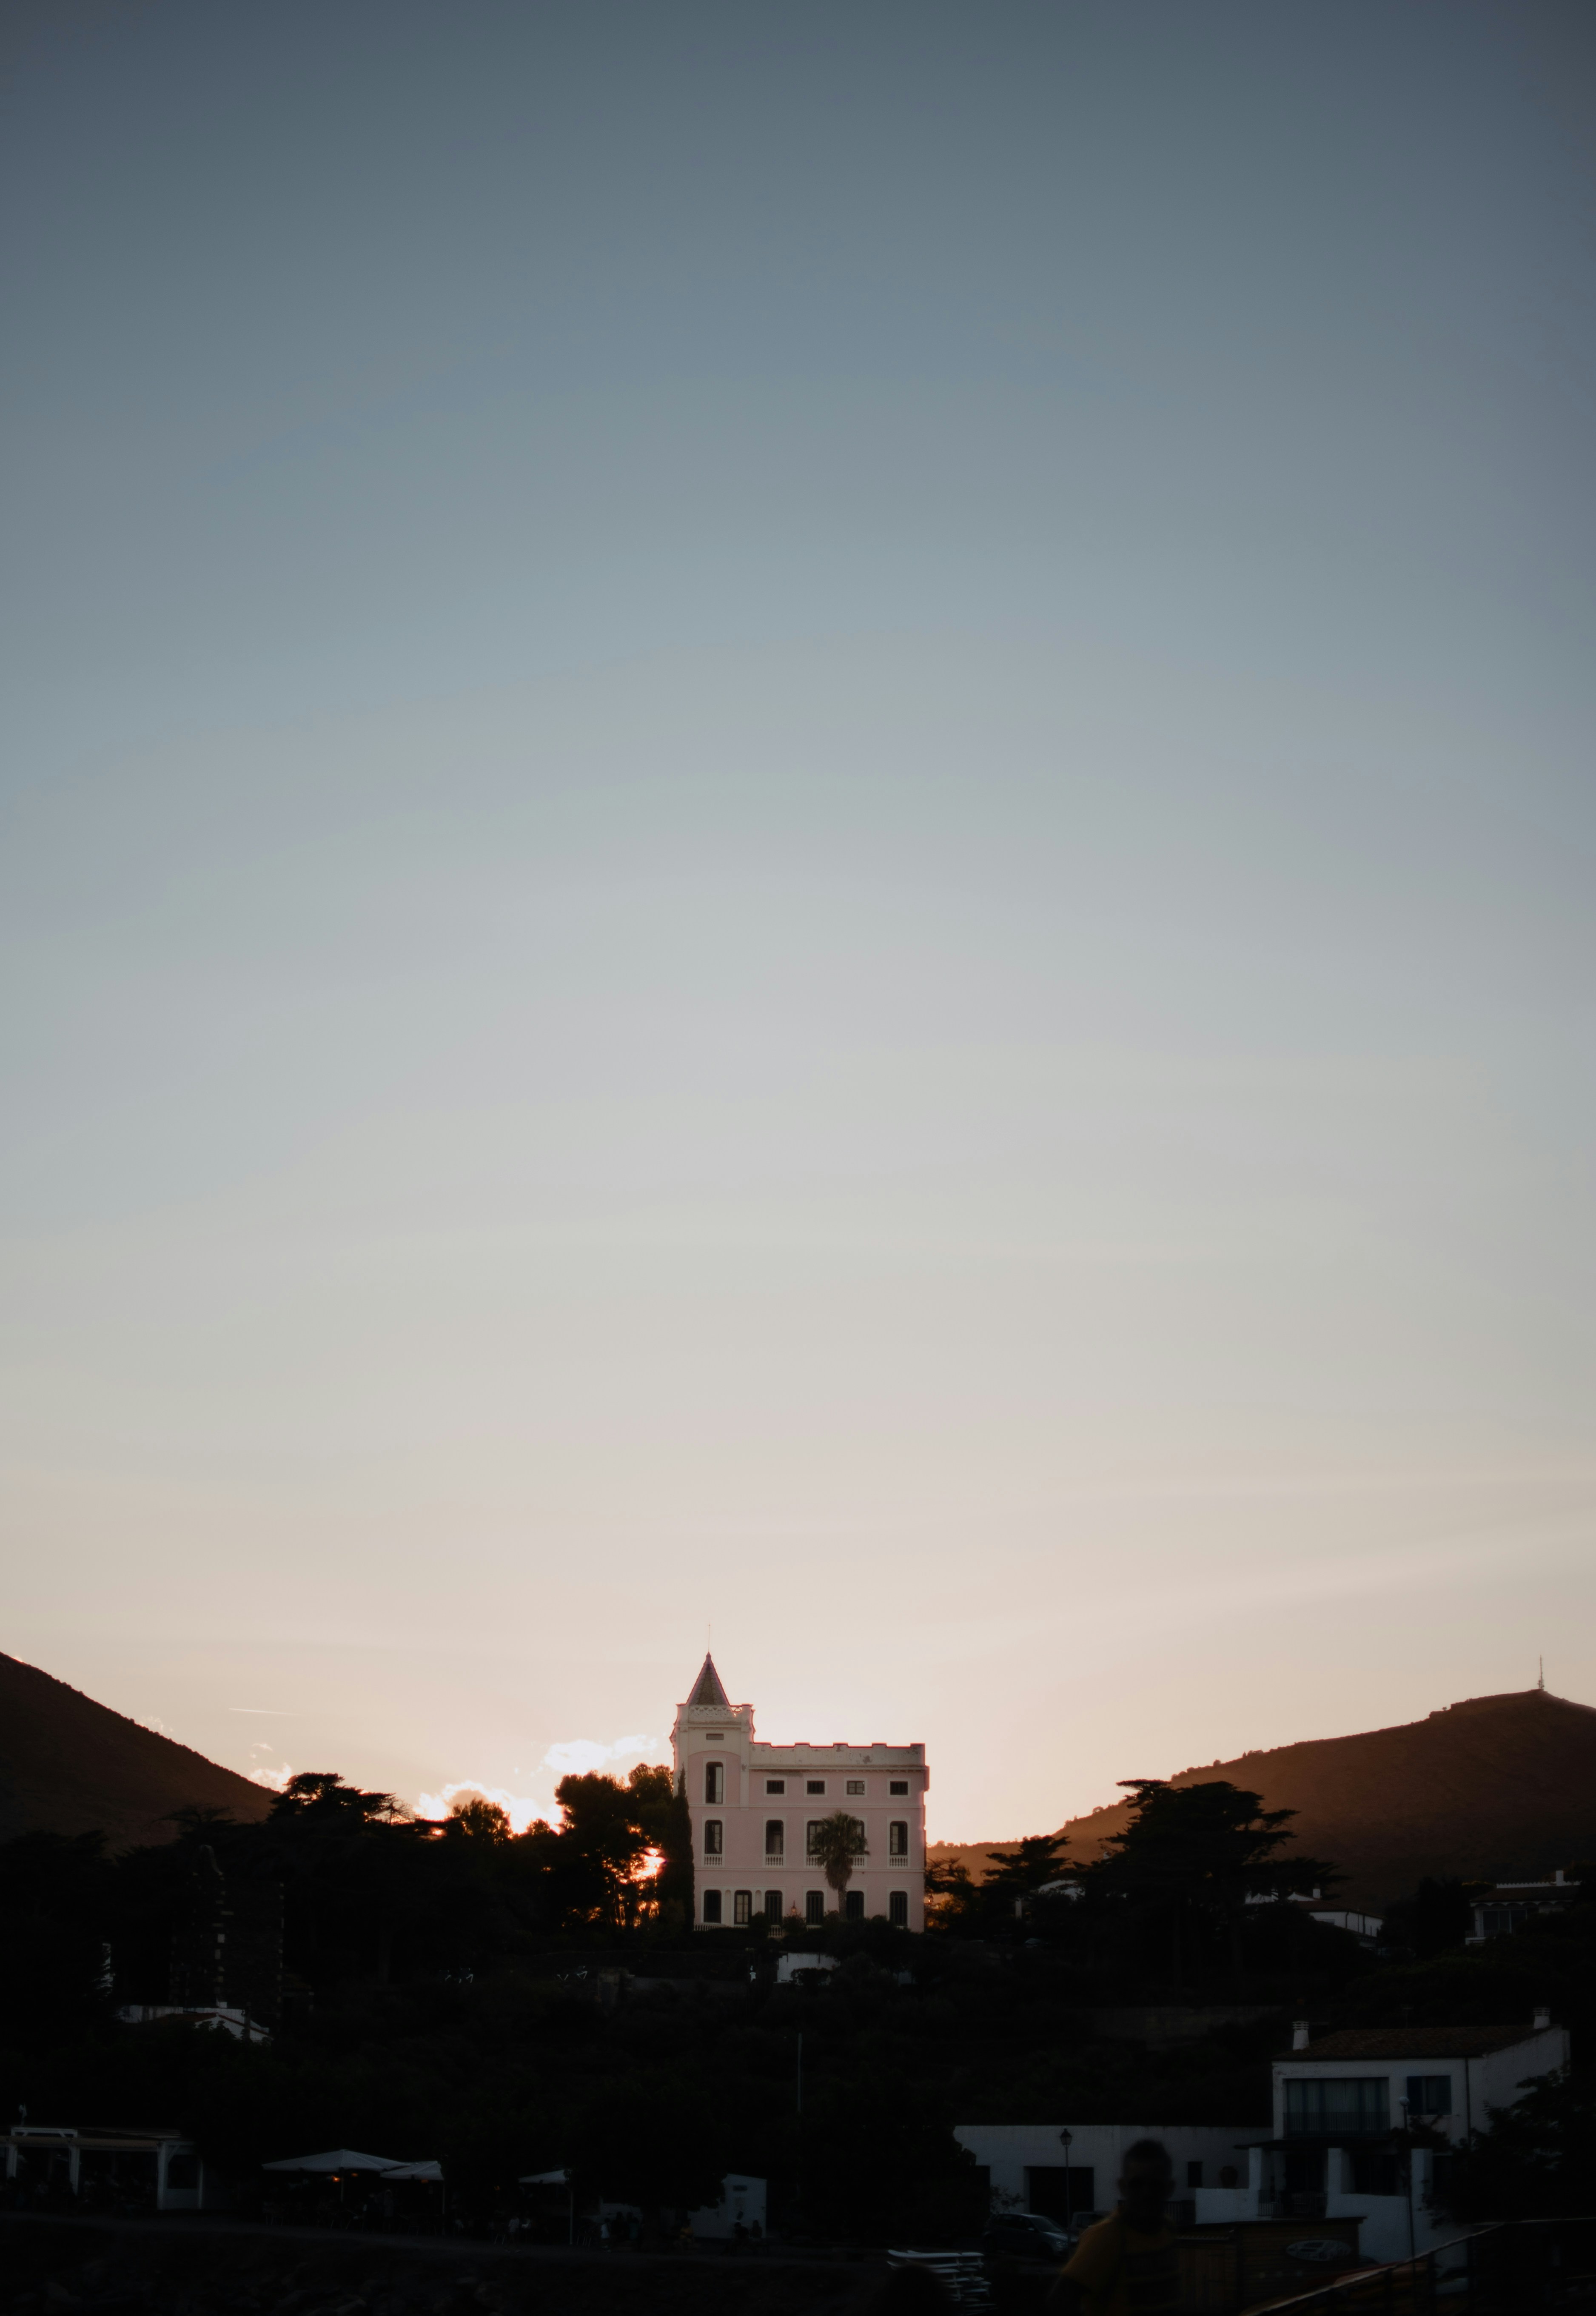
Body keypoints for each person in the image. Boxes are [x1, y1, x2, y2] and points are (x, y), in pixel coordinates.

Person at [1048, 2140, 1179, 2315]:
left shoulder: (1168, 2228)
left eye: (1155, 2185)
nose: (1146, 2193)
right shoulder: (1108, 2237)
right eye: (1137, 2185)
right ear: (1123, 2188)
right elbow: (1060, 2301)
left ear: (1169, 2188)